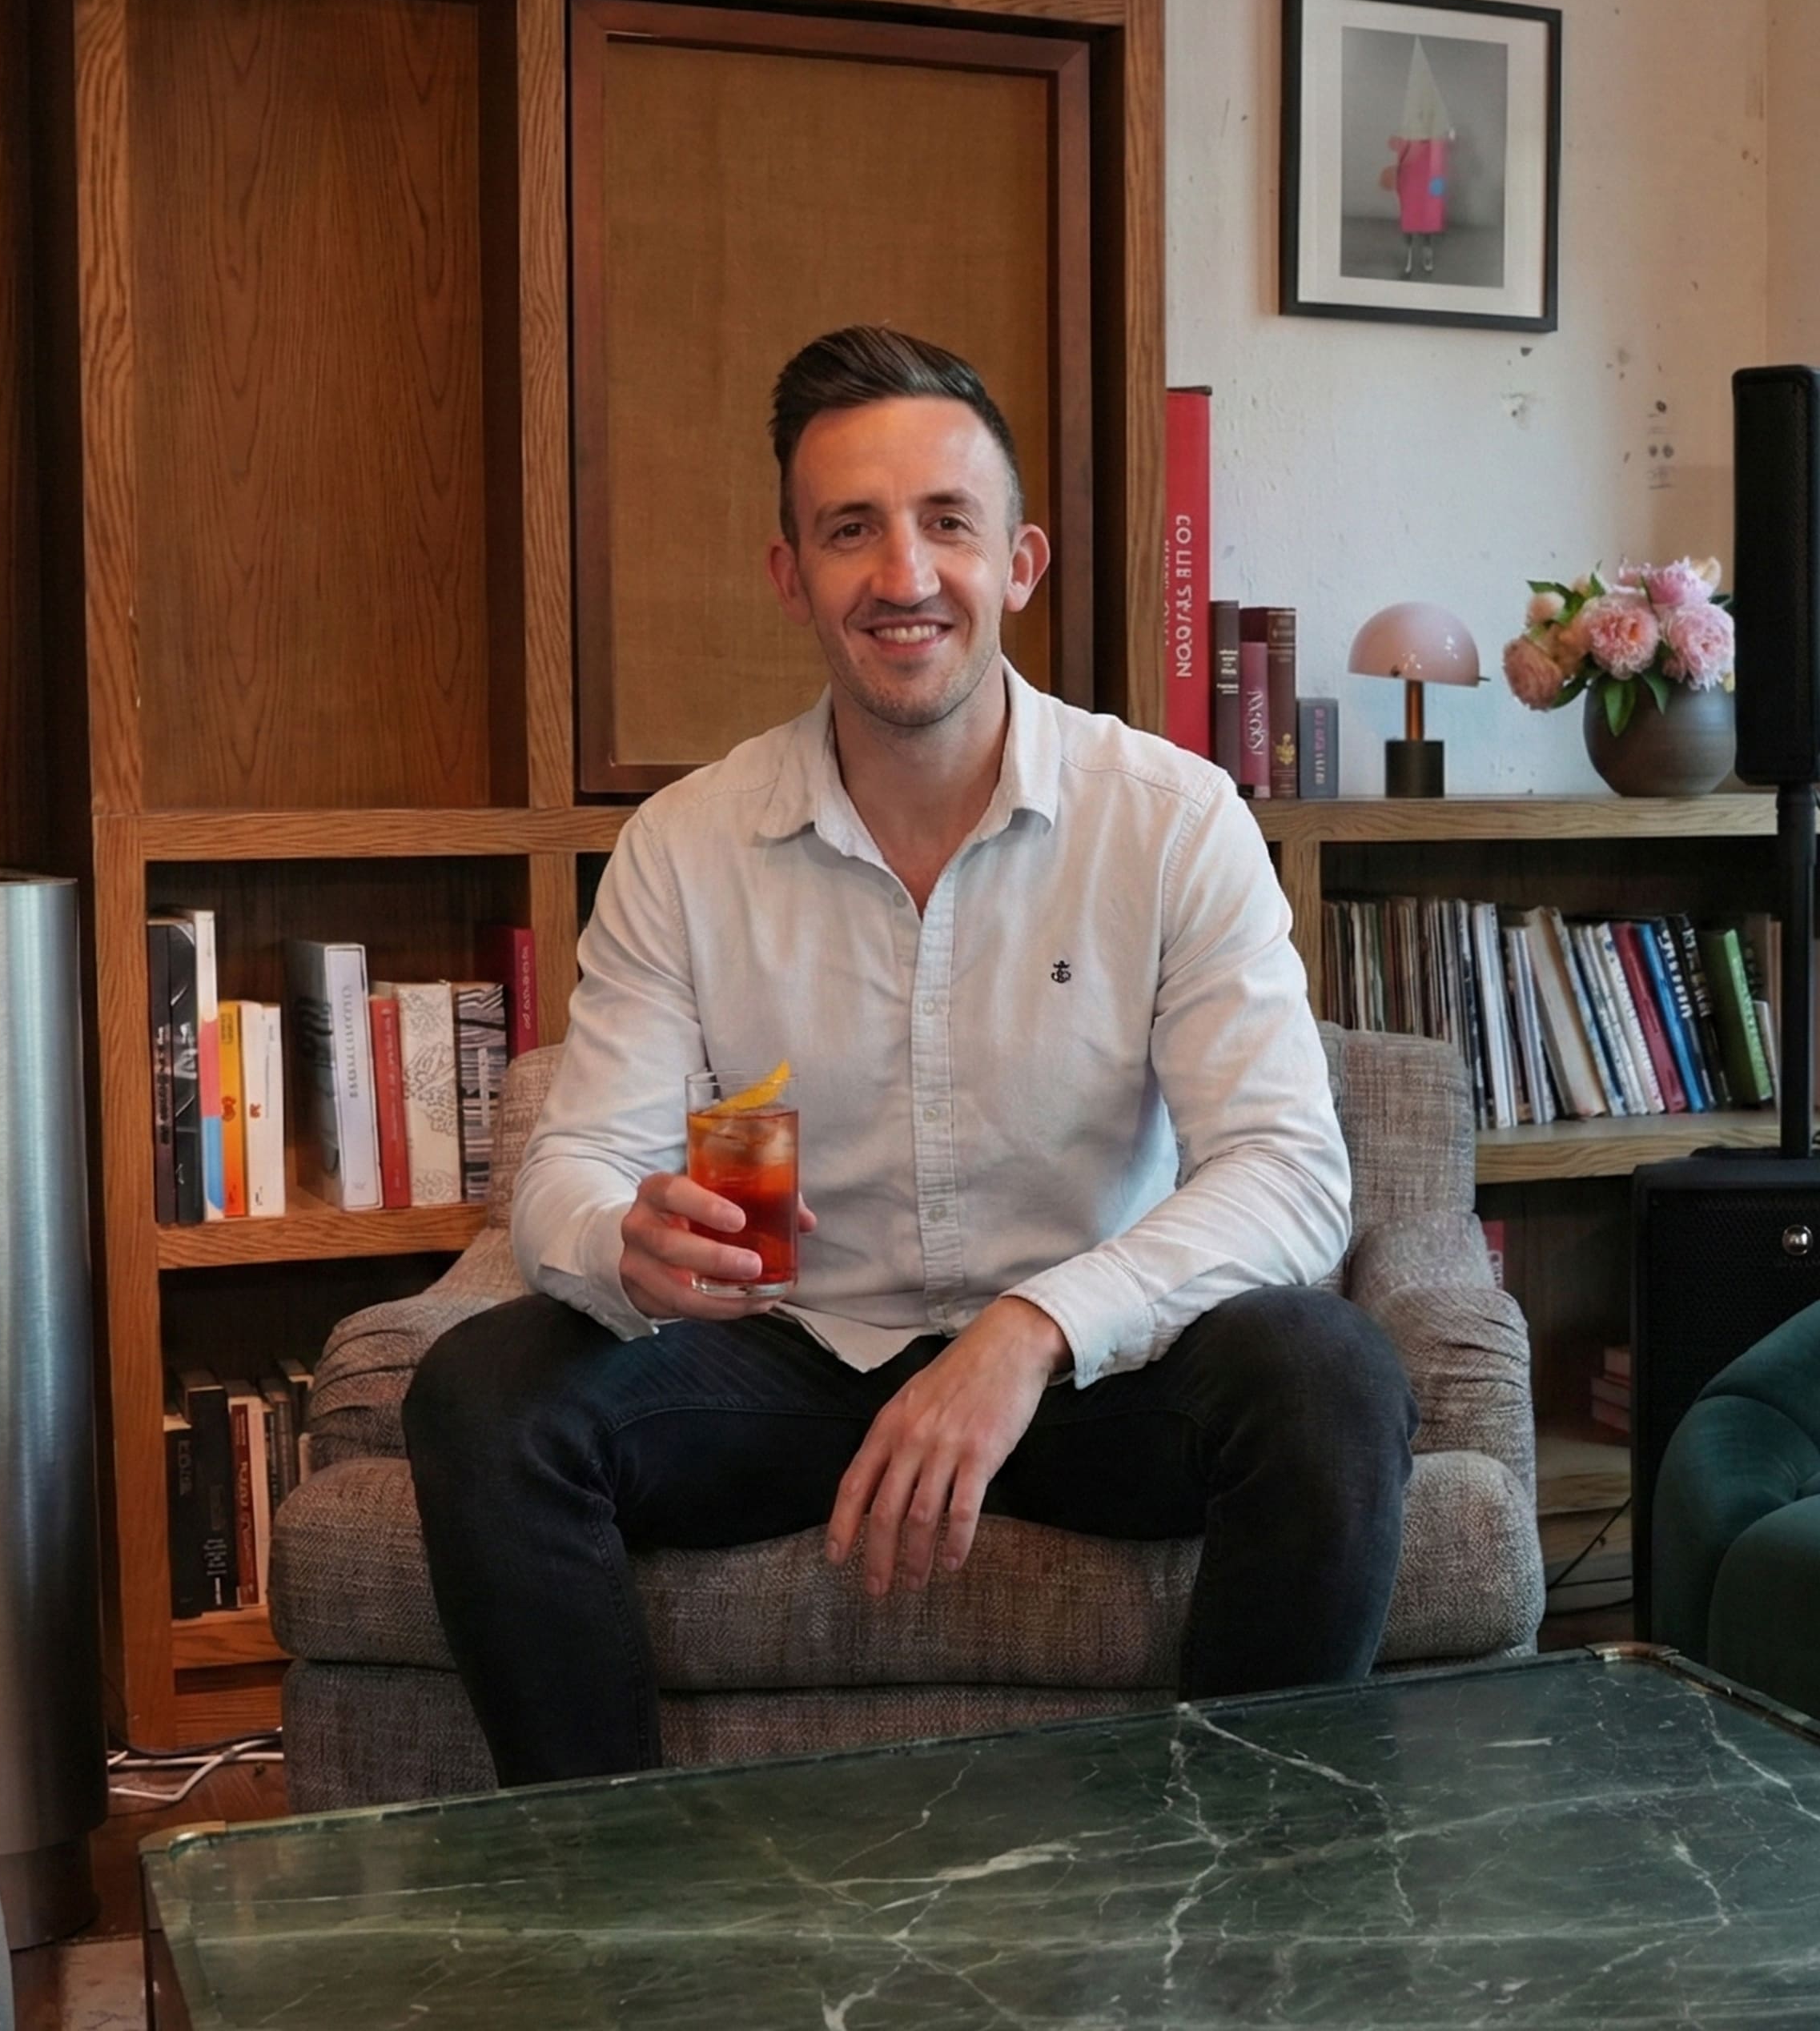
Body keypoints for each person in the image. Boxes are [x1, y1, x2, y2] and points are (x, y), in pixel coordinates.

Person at [405, 326, 1415, 1788]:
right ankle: (612, 1889)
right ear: (789, 575)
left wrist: (1033, 1330)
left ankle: (1242, 1880)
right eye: (850, 531)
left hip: (1093, 1379)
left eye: (947, 522)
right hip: (789, 1363)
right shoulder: (684, 846)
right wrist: (623, 1240)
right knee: (484, 1392)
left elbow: (1289, 1174)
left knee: (1329, 1375)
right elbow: (577, 1161)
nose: (903, 573)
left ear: (1019, 561)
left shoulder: (1173, 821)